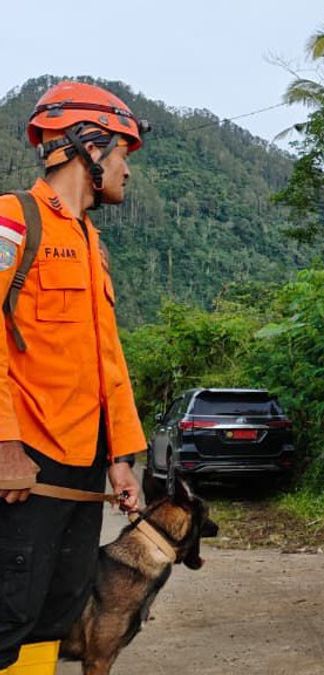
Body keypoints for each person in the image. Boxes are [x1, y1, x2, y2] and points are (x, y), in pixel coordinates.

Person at [0, 80, 146, 672]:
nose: (126, 171)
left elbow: (107, 360)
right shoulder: (13, 220)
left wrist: (121, 455)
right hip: (25, 461)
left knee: (59, 612)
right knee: (10, 611)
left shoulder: (92, 244)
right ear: (89, 145)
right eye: (122, 154)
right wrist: (5, 441)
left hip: (83, 463)